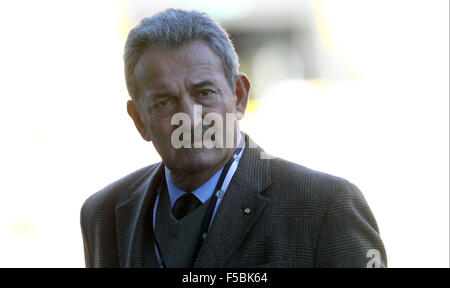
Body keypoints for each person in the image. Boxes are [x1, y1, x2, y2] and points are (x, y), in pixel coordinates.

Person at [80, 8, 387, 268]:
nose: (190, 117)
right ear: (139, 120)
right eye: (164, 102)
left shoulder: (324, 206)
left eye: (204, 93)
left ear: (239, 96)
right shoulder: (103, 214)